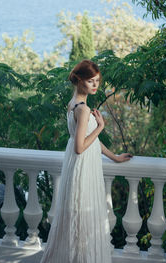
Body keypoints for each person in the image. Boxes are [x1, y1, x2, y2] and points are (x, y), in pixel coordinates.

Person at [39, 59, 132, 263]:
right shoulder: (82, 109)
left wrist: (114, 157)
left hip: (77, 165)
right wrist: (100, 126)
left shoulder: (73, 104)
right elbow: (80, 147)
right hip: (82, 166)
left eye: (97, 81)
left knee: (78, 217)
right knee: (83, 218)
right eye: (91, 81)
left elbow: (91, 140)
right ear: (79, 80)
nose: (96, 85)